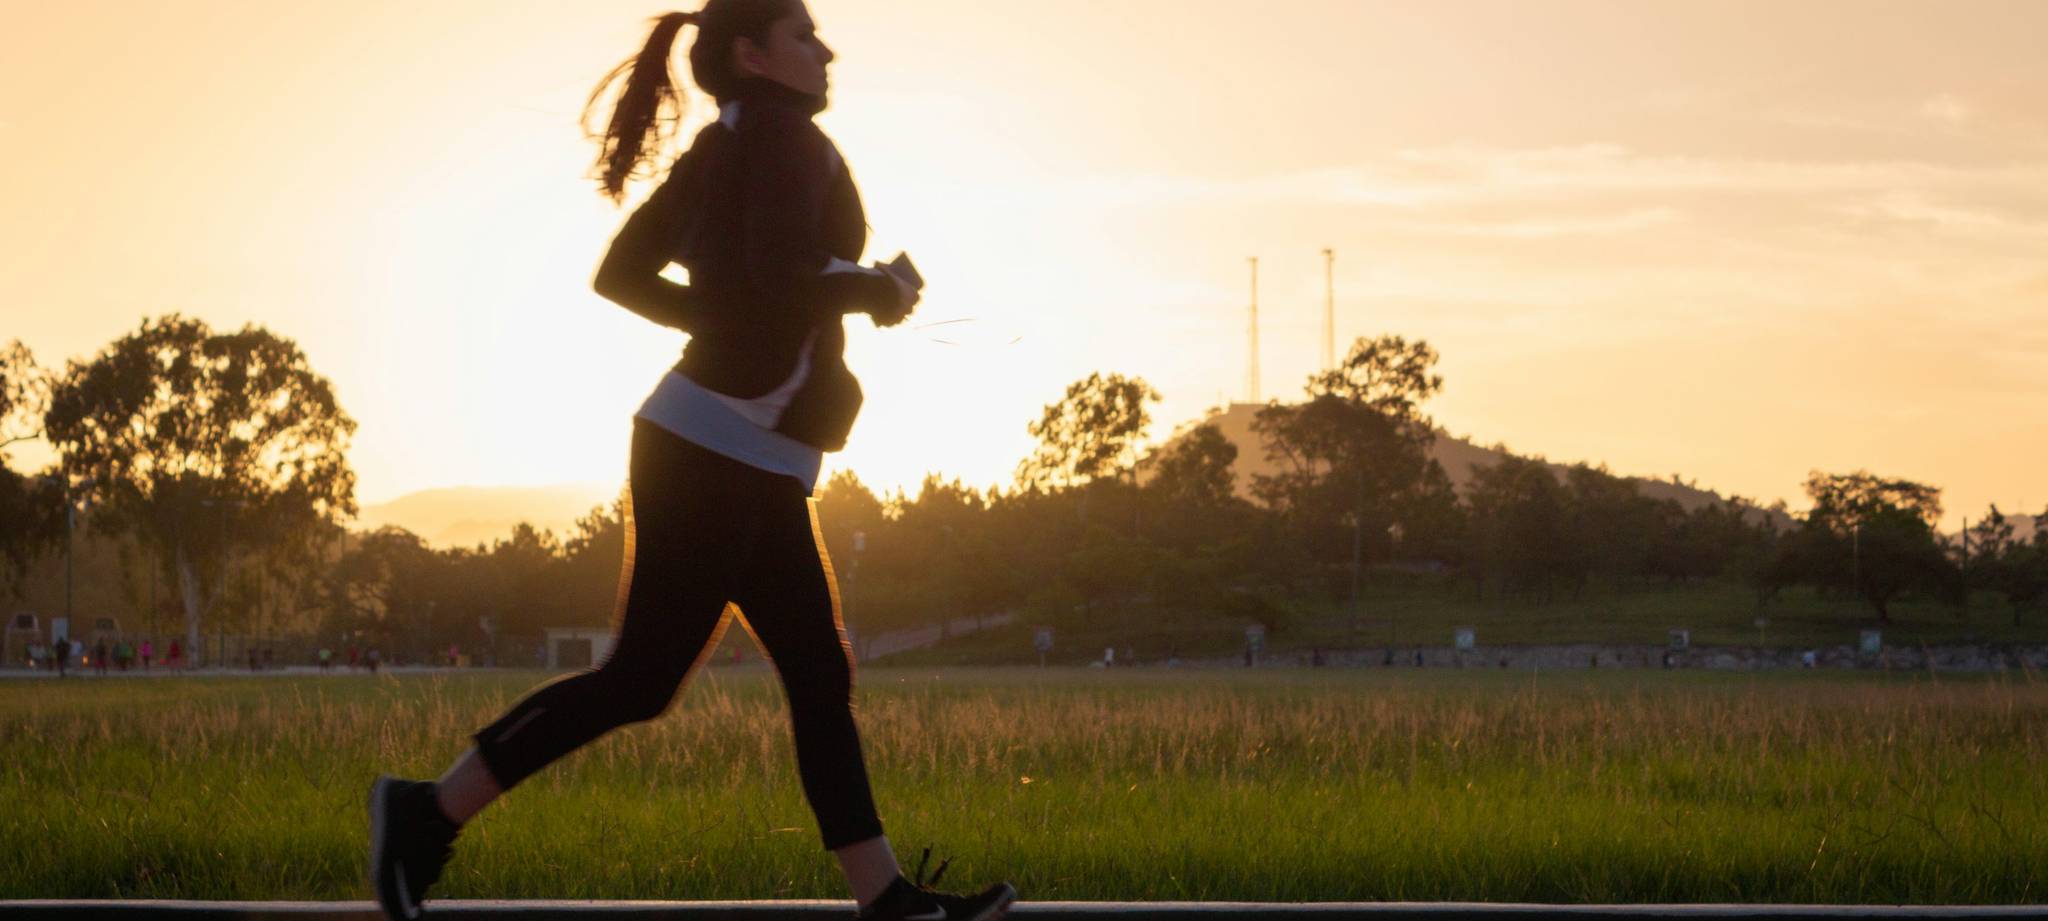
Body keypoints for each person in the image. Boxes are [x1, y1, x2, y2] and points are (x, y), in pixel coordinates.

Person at [368, 6, 1012, 921]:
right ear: (752, 54)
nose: (825, 50)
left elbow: (629, 274)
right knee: (648, 677)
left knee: (809, 671)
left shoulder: (725, 145)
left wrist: (730, 322)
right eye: (802, 35)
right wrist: (876, 287)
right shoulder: (784, 140)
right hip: (716, 452)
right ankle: (423, 811)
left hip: (735, 450)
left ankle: (884, 895)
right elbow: (778, 276)